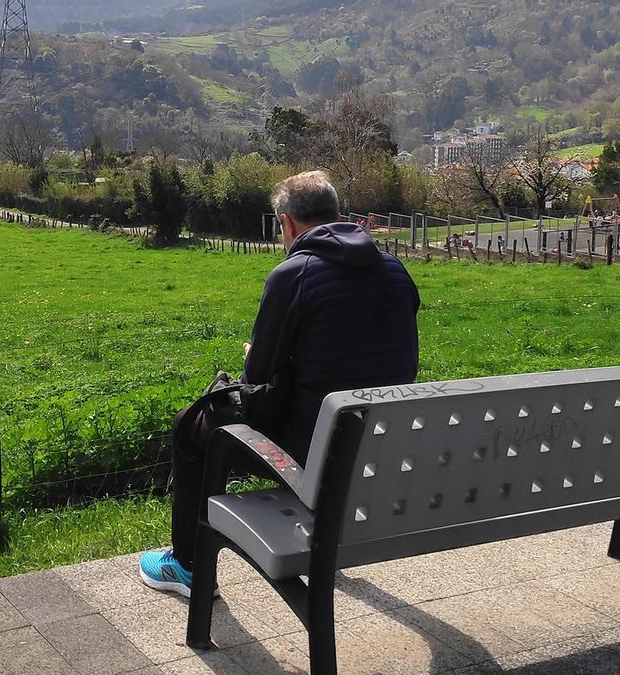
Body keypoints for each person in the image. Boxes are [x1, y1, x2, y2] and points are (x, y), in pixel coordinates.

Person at [139, 170, 421, 596]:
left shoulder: (293, 275)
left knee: (190, 426)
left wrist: (251, 360)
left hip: (315, 451)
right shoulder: (395, 270)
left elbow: (257, 394)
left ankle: (190, 566)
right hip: (379, 445)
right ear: (338, 214)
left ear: (287, 223)